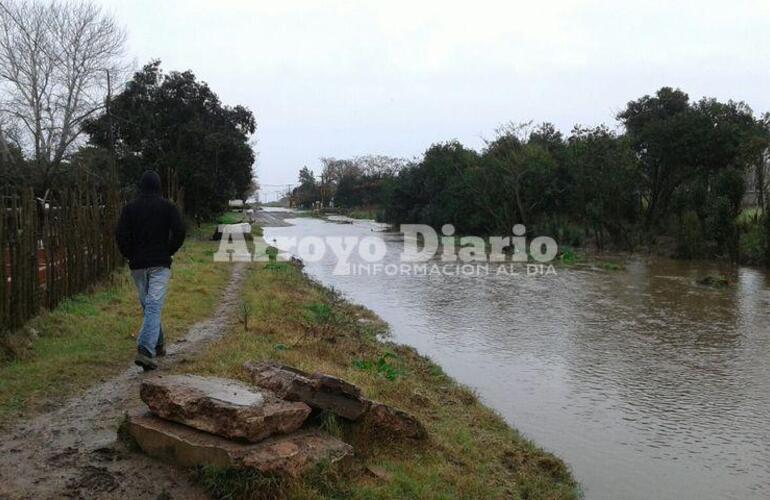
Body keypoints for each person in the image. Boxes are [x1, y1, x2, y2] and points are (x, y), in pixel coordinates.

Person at [116, 170, 186, 370]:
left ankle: (153, 346)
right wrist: (169, 251)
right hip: (160, 264)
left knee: (150, 305)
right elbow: (180, 231)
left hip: (137, 266)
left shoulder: (129, 208)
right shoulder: (168, 207)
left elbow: (120, 234)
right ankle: (148, 350)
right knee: (152, 305)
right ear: (158, 186)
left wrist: (130, 254)